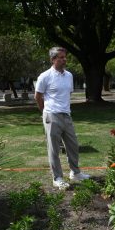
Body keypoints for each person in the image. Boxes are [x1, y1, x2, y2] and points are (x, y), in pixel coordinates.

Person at [34, 47, 90, 189]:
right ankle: (58, 178)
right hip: (52, 115)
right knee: (54, 149)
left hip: (66, 115)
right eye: (61, 57)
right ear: (53, 59)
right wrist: (45, 112)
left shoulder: (69, 76)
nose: (64, 60)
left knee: (73, 145)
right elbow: (38, 96)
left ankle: (75, 173)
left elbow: (67, 95)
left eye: (65, 57)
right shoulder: (44, 76)